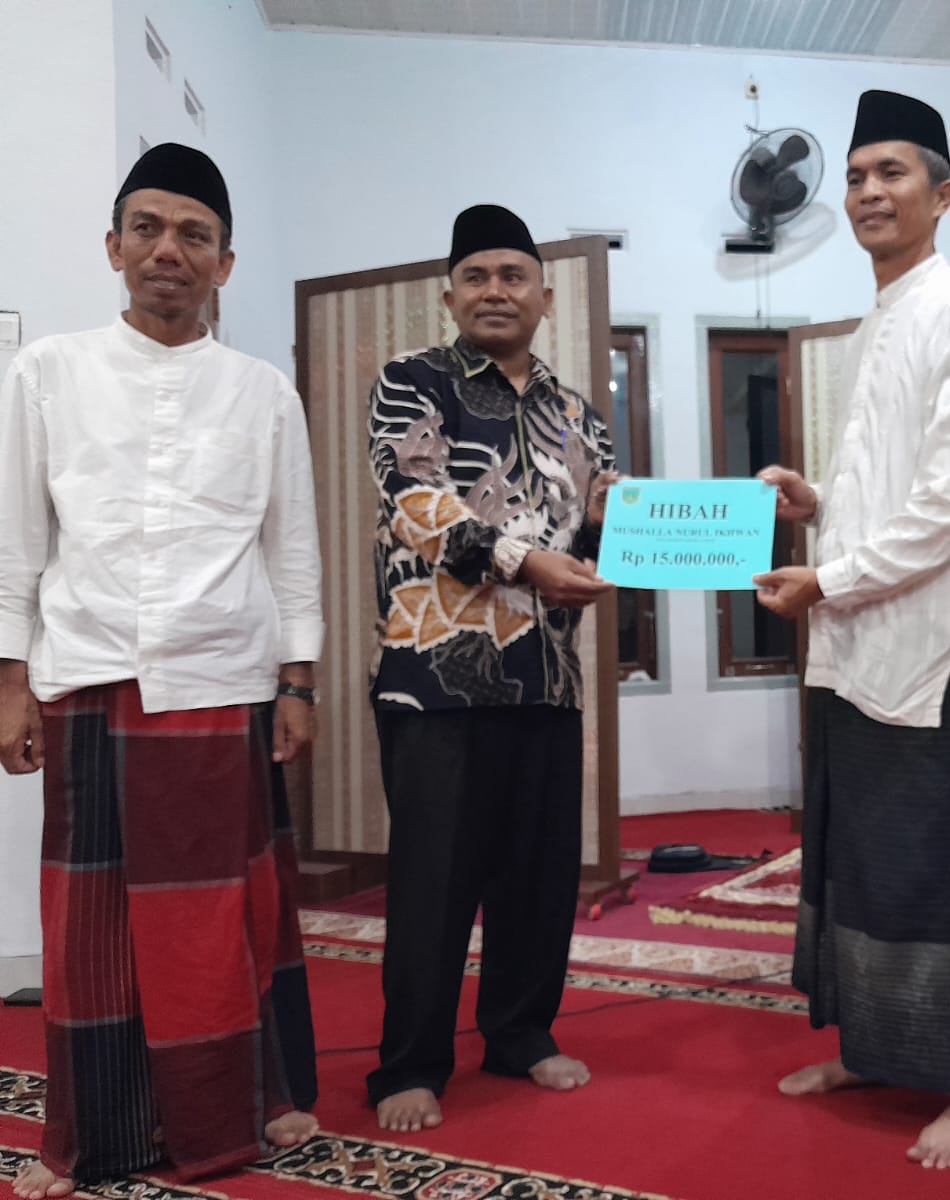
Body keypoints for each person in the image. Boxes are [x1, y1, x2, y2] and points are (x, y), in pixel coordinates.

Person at [0, 143, 323, 1195]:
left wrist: (299, 681)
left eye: (194, 235)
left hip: (222, 682)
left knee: (223, 920)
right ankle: (92, 1136)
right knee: (91, 931)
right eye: (147, 228)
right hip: (88, 677)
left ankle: (245, 1107)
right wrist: (9, 680)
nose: (168, 251)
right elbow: (17, 541)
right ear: (113, 246)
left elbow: (292, 549)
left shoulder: (263, 392)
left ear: (225, 263)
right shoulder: (47, 373)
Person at [753, 89, 950, 1170]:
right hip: (854, 645)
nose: (868, 191)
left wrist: (829, 578)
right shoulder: (880, 317)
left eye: (891, 173)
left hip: (927, 656)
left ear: (942, 195)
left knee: (939, 870)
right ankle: (875, 1049)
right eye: (858, 175)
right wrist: (816, 505)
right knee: (859, 860)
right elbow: (889, 488)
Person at [364, 204, 617, 1133]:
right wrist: (524, 560)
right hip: (436, 680)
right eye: (476, 277)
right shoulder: (412, 383)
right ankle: (409, 1065)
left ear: (545, 298)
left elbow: (600, 534)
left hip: (546, 679)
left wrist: (678, 524)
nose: (495, 292)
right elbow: (417, 503)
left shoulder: (579, 416)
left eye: (514, 276)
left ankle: (519, 1034)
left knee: (538, 878)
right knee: (433, 884)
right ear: (450, 297)